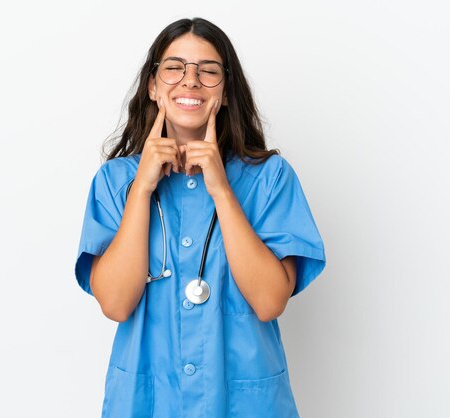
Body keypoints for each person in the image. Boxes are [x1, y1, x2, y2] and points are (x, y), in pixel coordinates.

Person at [74, 17, 326, 418]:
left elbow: (269, 301)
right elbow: (117, 305)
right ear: (153, 86)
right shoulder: (116, 182)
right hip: (148, 403)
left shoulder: (270, 179)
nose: (190, 81)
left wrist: (222, 190)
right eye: (174, 68)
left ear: (225, 92)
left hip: (245, 404)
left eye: (208, 71)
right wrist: (141, 190)